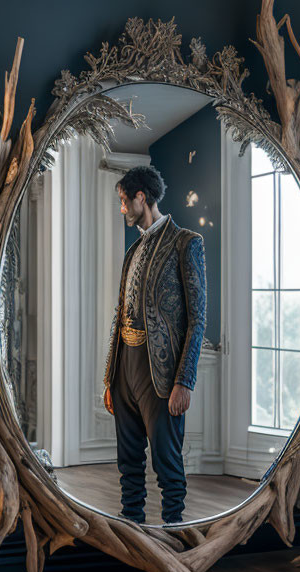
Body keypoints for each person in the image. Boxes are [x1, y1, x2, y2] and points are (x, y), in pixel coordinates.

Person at [102, 165, 207, 524]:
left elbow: (197, 319)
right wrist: (110, 378)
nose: (122, 209)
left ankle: (174, 532)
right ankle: (132, 528)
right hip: (126, 369)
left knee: (166, 460)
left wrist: (185, 380)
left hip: (161, 375)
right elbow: (121, 315)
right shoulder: (133, 251)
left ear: (140, 198)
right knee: (127, 460)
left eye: (123, 201)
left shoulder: (186, 243)